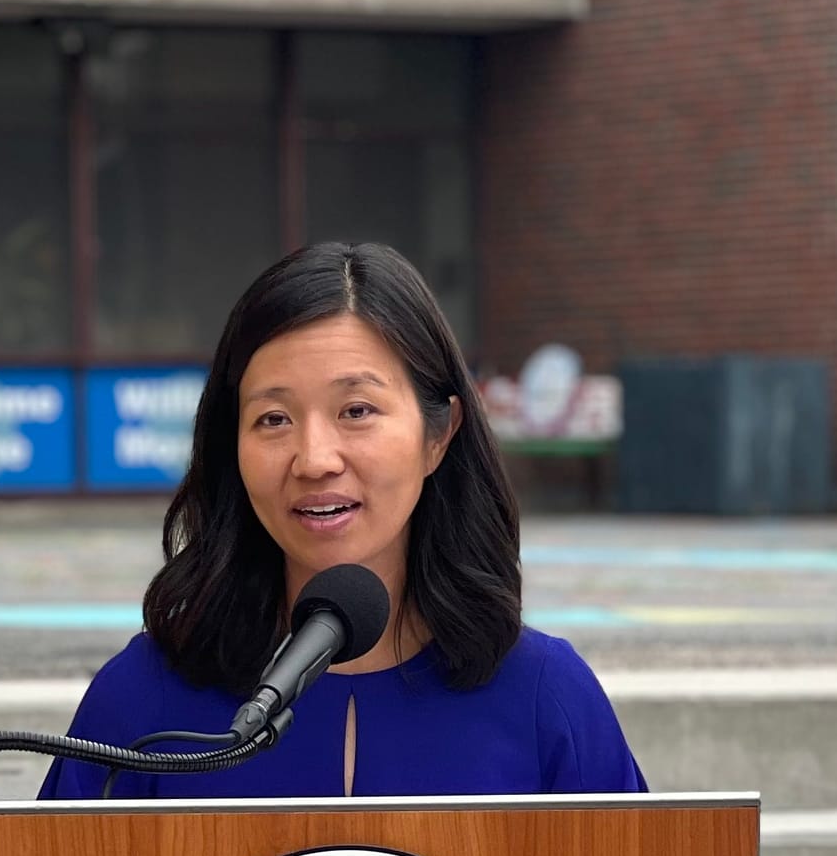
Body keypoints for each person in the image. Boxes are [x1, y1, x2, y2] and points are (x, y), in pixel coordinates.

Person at [39, 242, 646, 800]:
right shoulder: (141, 701)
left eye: (357, 410)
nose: (315, 459)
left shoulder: (546, 697)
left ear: (439, 434)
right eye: (273, 419)